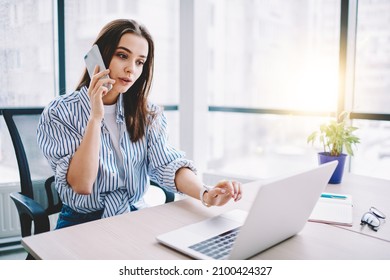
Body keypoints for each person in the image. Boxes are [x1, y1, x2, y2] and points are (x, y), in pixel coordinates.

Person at [37, 19, 242, 229]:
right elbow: (82, 185)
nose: (131, 69)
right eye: (122, 56)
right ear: (99, 56)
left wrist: (206, 194)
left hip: (132, 214)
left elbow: (167, 163)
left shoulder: (147, 113)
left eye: (139, 62)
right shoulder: (60, 112)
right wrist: (95, 117)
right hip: (80, 222)